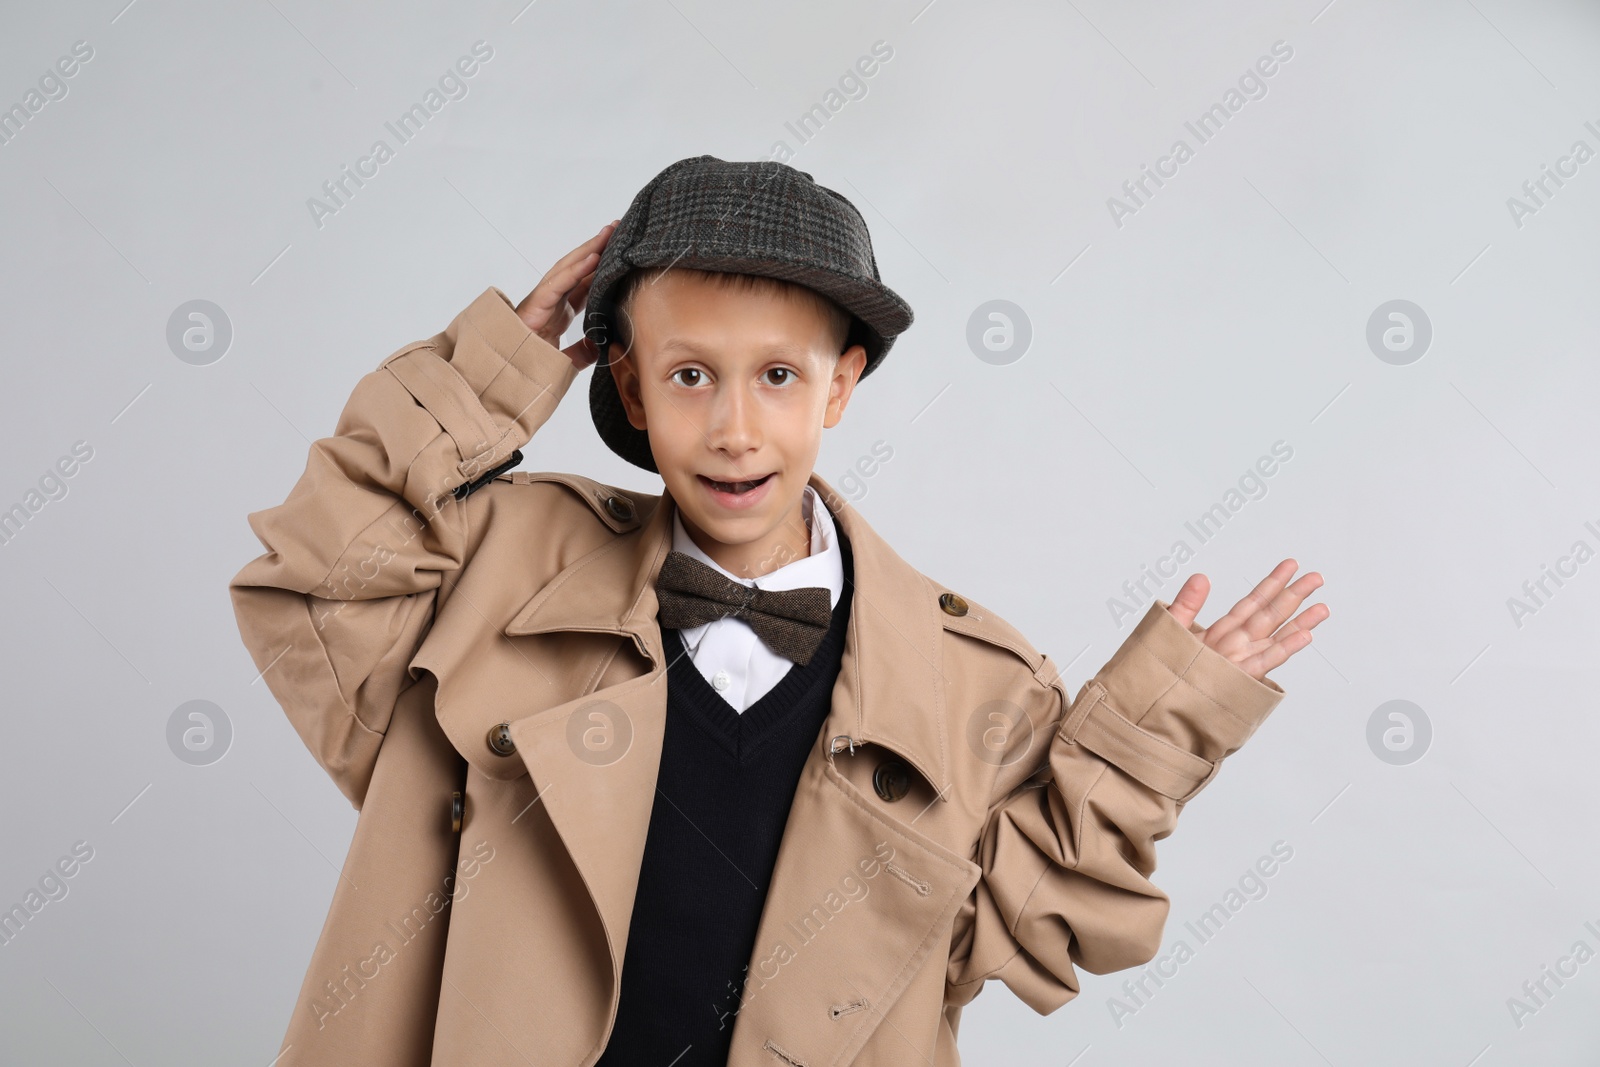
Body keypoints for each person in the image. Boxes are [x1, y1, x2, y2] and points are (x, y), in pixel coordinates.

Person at [228, 155, 1327, 1066]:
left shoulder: (973, 684)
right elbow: (323, 585)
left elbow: (1005, 927)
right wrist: (485, 374)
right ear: (627, 385)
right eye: (691, 375)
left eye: (779, 378)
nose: (735, 428)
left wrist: (1145, 737)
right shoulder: (500, 569)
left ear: (841, 387)